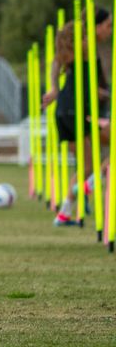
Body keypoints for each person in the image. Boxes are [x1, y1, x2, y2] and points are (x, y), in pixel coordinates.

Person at [41, 12, 111, 227]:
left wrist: (54, 87)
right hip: (76, 111)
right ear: (93, 28)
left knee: (87, 165)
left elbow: (55, 62)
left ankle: (63, 214)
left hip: (63, 112)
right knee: (106, 153)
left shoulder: (71, 54)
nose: (109, 30)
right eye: (108, 26)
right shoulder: (86, 47)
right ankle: (87, 187)